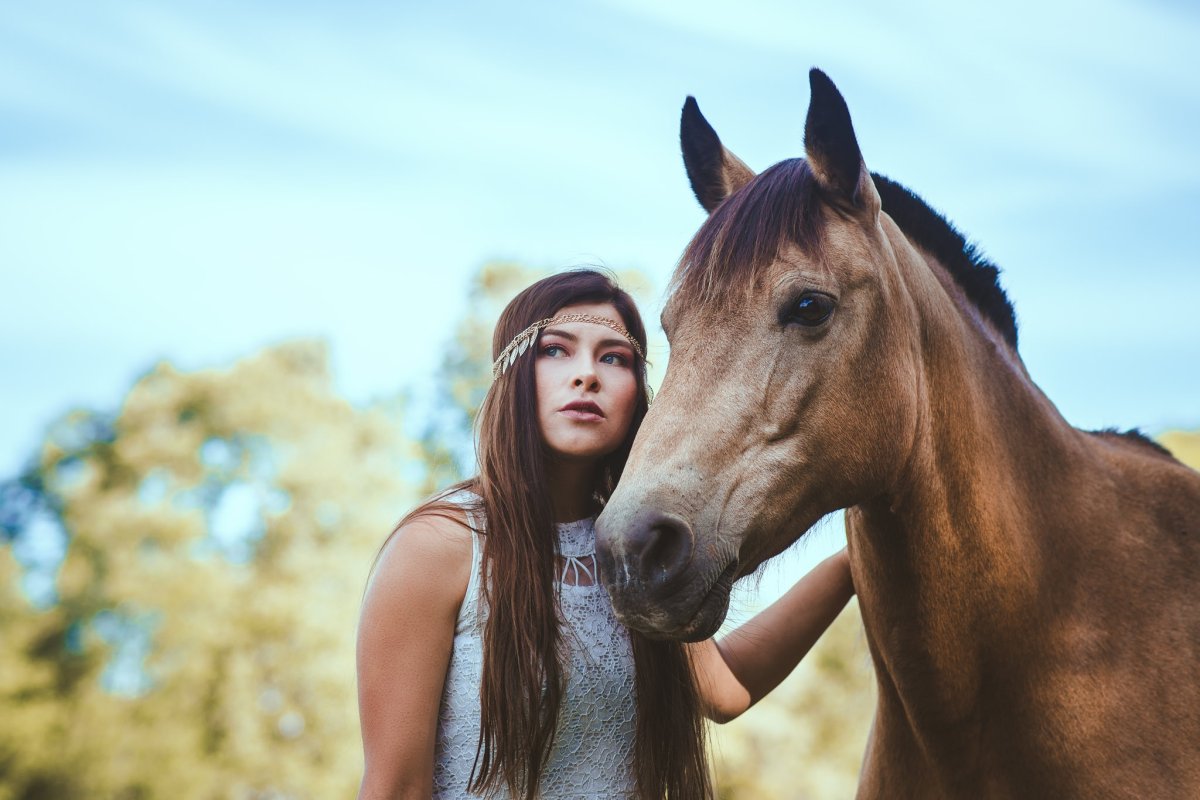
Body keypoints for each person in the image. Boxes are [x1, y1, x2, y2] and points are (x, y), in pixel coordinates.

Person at [356, 269, 855, 800]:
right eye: (556, 351)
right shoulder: (440, 545)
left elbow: (723, 689)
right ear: (511, 375)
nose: (586, 375)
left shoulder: (636, 551)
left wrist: (850, 566)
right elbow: (396, 788)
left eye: (614, 357)